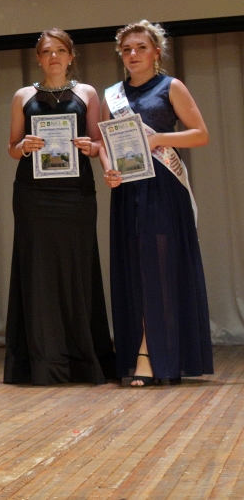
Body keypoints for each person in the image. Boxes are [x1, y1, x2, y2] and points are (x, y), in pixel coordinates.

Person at [100, 20, 212, 387]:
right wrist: (108, 171)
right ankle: (146, 353)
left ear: (156, 53)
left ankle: (150, 355)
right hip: (128, 190)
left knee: (159, 269)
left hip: (163, 188)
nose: (133, 54)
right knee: (134, 271)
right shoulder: (112, 95)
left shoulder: (171, 87)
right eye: (126, 49)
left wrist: (160, 138)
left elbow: (200, 134)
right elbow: (104, 143)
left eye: (141, 48)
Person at [3, 28, 116, 385]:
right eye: (47, 52)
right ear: (38, 59)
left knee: (78, 269)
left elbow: (98, 143)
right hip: (34, 195)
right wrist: (25, 146)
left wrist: (90, 147)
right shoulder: (23, 95)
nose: (54, 57)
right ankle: (42, 360)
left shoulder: (87, 93)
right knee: (37, 271)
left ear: (71, 57)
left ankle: (83, 359)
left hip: (75, 193)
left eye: (60, 51)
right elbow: (11, 148)